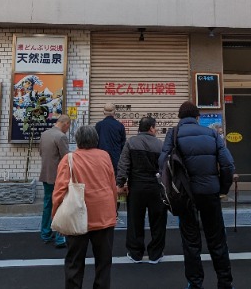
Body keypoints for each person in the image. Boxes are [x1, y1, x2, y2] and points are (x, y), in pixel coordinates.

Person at [159, 101, 235, 289]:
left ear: (180, 117)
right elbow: (227, 164)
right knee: (217, 241)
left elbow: (162, 162)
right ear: (197, 117)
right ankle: (225, 283)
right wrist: (222, 189)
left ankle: (195, 284)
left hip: (185, 195)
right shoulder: (211, 133)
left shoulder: (173, 133)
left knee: (191, 242)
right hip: (210, 193)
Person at [53, 125, 117, 289]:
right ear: (96, 140)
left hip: (76, 215)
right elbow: (112, 185)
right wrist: (113, 210)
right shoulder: (105, 156)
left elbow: (59, 191)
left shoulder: (69, 159)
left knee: (74, 261)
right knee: (104, 262)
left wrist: (56, 217)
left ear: (77, 141)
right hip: (104, 215)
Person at [116, 116, 167, 264]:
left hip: (136, 187)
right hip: (155, 187)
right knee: (158, 221)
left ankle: (135, 253)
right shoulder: (160, 144)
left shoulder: (131, 142)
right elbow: (165, 167)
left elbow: (123, 164)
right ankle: (155, 254)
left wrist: (120, 183)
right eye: (155, 127)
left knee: (135, 221)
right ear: (151, 128)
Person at [39, 114, 71, 248]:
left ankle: (45, 233)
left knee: (48, 204)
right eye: (68, 127)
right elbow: (66, 158)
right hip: (58, 176)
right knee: (60, 204)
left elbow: (41, 152)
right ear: (66, 124)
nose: (68, 130)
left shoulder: (45, 134)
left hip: (46, 174)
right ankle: (60, 238)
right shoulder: (61, 137)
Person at [95, 103, 127, 171]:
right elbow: (123, 143)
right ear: (114, 112)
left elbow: (95, 142)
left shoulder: (98, 125)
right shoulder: (120, 125)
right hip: (115, 158)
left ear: (103, 112)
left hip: (101, 159)